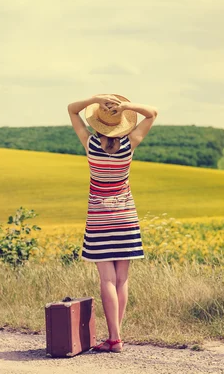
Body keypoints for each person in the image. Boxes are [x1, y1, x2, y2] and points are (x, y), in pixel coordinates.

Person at [67, 93, 158, 353]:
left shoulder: (90, 145)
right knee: (122, 280)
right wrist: (127, 106)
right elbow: (153, 112)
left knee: (107, 279)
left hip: (99, 219)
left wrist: (93, 99)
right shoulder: (130, 144)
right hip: (126, 217)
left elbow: (72, 110)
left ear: (98, 122)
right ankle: (115, 337)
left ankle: (115, 339)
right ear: (122, 123)